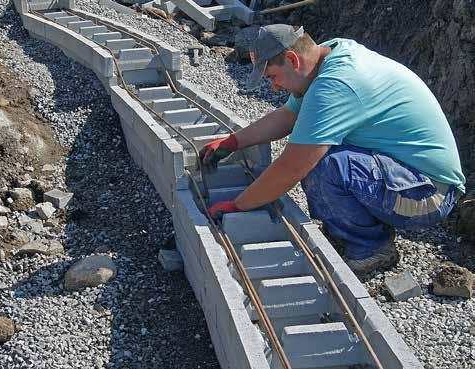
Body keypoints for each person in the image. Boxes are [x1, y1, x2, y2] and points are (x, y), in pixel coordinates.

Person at [199, 24, 465, 275]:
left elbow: (292, 167)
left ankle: (370, 248)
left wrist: (238, 205)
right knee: (324, 151)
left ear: (293, 60)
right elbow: (289, 115)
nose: (274, 87)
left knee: (323, 165)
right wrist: (233, 141)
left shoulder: (335, 85)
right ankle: (364, 226)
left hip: (429, 195)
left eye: (273, 77)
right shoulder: (329, 55)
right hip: (406, 177)